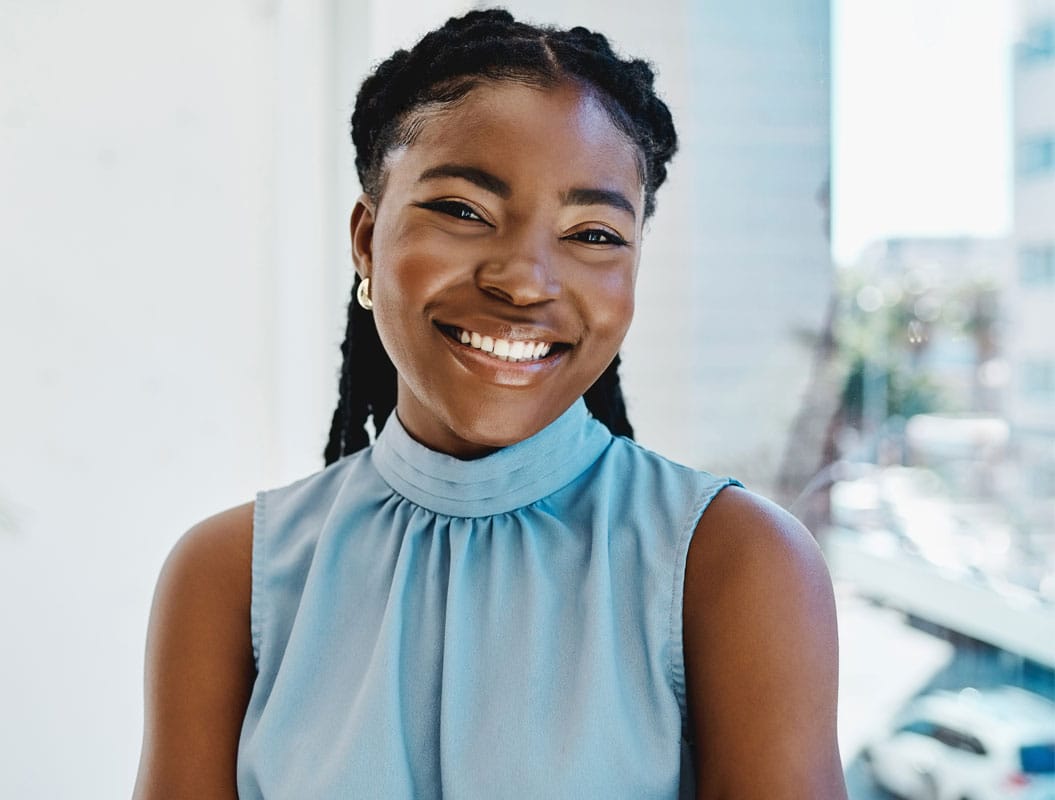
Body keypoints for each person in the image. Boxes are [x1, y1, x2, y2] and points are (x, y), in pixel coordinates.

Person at [134, 9, 847, 799]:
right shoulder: (232, 576)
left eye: (594, 234)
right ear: (367, 240)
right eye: (464, 211)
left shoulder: (734, 564)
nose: (525, 279)